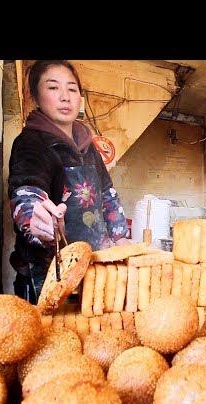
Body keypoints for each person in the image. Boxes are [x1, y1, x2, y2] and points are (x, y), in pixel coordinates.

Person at [8, 60, 130, 303]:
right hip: (52, 275)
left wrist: (121, 238)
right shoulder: (30, 143)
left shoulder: (89, 147)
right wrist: (37, 219)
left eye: (72, 89)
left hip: (94, 270)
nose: (65, 97)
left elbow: (107, 195)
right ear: (35, 96)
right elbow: (27, 191)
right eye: (53, 88)